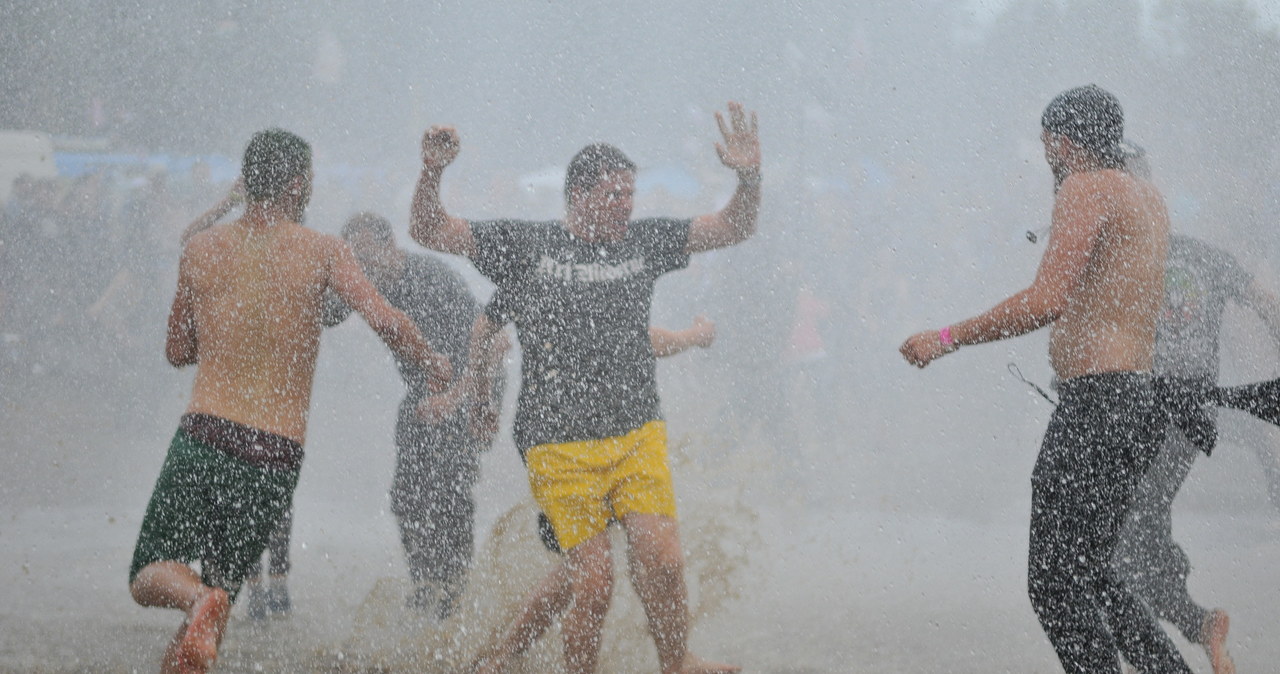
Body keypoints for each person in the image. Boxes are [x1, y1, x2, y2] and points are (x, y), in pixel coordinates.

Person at [409, 102, 760, 674]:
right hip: (557, 443)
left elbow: (733, 226)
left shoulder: (644, 242)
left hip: (636, 431)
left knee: (663, 560)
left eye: (630, 195)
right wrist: (432, 171)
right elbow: (429, 230)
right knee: (593, 585)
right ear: (577, 194)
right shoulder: (526, 247)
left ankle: (675, 662)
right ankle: (511, 658)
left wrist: (749, 177)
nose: (626, 206)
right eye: (613, 194)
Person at [127, 129, 452, 674]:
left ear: (247, 181)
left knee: (151, 573)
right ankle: (203, 610)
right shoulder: (324, 250)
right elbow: (387, 322)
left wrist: (229, 324)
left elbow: (178, 350)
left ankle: (195, 600)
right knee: (218, 601)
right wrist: (433, 362)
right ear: (298, 184)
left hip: (205, 435)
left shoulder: (203, 248)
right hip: (274, 452)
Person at [899, 85, 1191, 673]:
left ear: (1062, 140)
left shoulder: (1087, 187)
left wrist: (947, 338)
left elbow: (1045, 301)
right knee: (1096, 575)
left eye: (1045, 143)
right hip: (1136, 401)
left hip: (1098, 405)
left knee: (1054, 584)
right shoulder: (1148, 196)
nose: (1044, 157)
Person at [1111, 143, 1280, 674]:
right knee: (1138, 524)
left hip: (1146, 412)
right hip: (1186, 419)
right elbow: (1266, 305)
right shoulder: (1203, 256)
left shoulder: (1118, 260)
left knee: (1119, 542)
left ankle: (1193, 624)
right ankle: (1195, 624)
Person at [470, 315, 717, 674]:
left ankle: (501, 657)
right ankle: (503, 657)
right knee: (586, 570)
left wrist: (691, 337)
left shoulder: (586, 290)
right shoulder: (565, 288)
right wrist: (693, 336)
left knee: (580, 568)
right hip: (566, 449)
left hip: (603, 441)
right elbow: (643, 339)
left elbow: (639, 339)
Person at [320, 212, 509, 620]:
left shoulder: (429, 279)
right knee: (407, 494)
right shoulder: (368, 281)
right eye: (356, 261)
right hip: (427, 389)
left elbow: (491, 345)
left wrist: (459, 400)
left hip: (476, 382)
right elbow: (326, 312)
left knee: (448, 488)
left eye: (369, 257)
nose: (363, 269)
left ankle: (452, 590)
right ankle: (424, 582)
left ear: (392, 248)